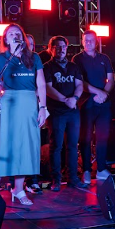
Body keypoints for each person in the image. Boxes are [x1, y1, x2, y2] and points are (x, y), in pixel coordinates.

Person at [0, 24, 47, 205]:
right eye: (11, 34)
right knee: (6, 144)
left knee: (25, 145)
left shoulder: (34, 57)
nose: (15, 35)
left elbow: (41, 84)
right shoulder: (2, 58)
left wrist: (43, 107)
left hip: (29, 101)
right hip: (10, 101)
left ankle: (19, 189)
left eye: (18, 33)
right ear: (6, 39)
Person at [43, 35, 87, 191]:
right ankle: (56, 180)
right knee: (56, 146)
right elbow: (47, 88)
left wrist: (74, 99)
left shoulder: (74, 67)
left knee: (73, 146)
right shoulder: (47, 67)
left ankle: (73, 178)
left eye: (63, 46)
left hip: (73, 111)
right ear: (51, 49)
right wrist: (64, 99)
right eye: (57, 47)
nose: (61, 49)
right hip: (56, 111)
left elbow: (79, 85)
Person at [72, 30, 114, 183]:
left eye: (91, 40)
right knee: (86, 137)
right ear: (82, 42)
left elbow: (111, 80)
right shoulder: (77, 59)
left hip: (104, 104)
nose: (89, 42)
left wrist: (104, 94)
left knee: (103, 136)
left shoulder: (104, 58)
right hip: (86, 103)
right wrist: (98, 92)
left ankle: (101, 168)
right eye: (86, 40)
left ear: (97, 42)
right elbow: (79, 82)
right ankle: (86, 170)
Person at [24, 34, 44, 194]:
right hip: (17, 105)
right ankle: (15, 182)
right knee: (18, 144)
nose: (29, 46)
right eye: (27, 43)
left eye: (31, 44)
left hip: (33, 104)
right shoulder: (13, 60)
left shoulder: (36, 59)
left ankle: (33, 180)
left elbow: (42, 84)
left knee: (33, 144)